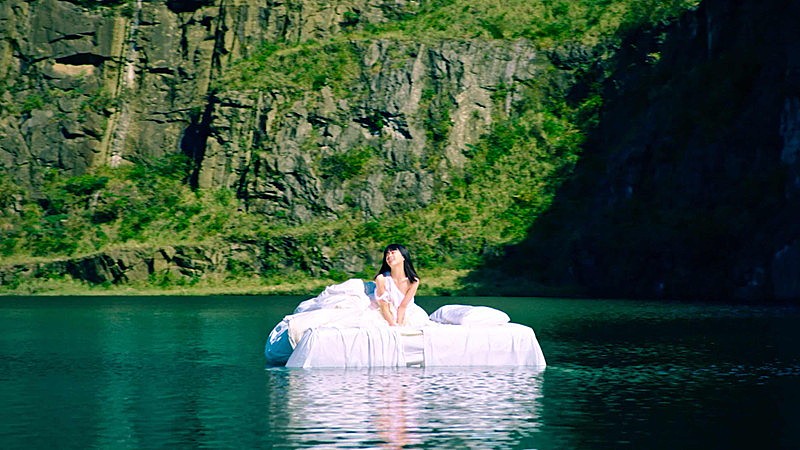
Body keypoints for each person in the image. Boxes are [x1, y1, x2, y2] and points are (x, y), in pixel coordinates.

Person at [372, 243, 422, 327]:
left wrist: (399, 324)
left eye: (392, 252)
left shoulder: (413, 281)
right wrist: (392, 324)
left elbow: (403, 306)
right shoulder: (381, 279)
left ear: (403, 257)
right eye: (387, 254)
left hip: (407, 313)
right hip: (385, 313)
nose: (389, 255)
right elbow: (384, 306)